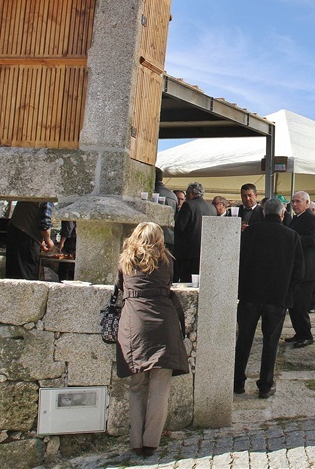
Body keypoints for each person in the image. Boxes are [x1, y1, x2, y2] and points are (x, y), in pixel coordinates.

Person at [115, 222, 188, 458]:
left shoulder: (125, 261)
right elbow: (167, 286)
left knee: (136, 387)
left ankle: (136, 441)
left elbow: (120, 289)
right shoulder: (166, 261)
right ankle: (151, 443)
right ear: (159, 239)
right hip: (163, 323)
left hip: (134, 324)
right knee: (160, 388)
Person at [234, 198, 304, 398]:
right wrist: (289, 293)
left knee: (244, 339)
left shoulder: (250, 233)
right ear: (282, 214)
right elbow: (299, 271)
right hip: (277, 297)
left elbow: (240, 261)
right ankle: (265, 385)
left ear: (264, 213)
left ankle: (237, 381)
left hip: (250, 295)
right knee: (270, 342)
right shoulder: (292, 236)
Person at [285, 191, 315, 348]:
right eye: (293, 201)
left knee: (301, 306)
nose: (294, 204)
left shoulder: (312, 219)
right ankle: (299, 333)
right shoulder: (296, 219)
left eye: (298, 201)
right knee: (293, 306)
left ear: (307, 203)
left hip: (306, 270)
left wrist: (293, 238)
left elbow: (313, 240)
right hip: (296, 268)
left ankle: (306, 335)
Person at [173, 182, 215, 283]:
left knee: (186, 282)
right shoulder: (212, 208)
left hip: (188, 253)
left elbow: (179, 227)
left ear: (192, 193)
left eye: (187, 194)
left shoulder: (188, 205)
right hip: (205, 252)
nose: (186, 196)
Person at [6, 201, 54, 280]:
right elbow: (44, 223)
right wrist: (48, 241)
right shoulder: (47, 197)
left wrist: (40, 241)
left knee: (13, 276)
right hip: (26, 241)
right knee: (24, 278)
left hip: (15, 233)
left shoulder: (31, 194)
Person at [154, 168, 178, 253]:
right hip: (169, 237)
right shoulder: (173, 195)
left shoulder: (153, 191)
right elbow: (175, 217)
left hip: (154, 236)